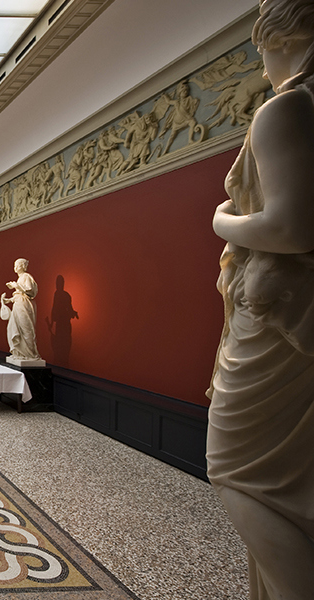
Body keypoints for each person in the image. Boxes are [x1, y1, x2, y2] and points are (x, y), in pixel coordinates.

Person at [207, 1, 314, 597]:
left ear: (281, 37)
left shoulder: (289, 107)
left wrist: (221, 220)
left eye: (261, 47)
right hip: (288, 310)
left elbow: (290, 228)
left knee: (235, 468)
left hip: (278, 309)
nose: (261, 62)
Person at [0, 258, 41, 360]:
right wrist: (9, 300)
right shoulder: (20, 278)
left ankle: (31, 354)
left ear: (23, 266)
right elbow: (19, 294)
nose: (15, 267)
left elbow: (30, 291)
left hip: (24, 305)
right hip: (18, 304)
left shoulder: (26, 276)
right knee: (13, 327)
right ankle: (19, 353)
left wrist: (16, 285)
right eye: (14, 265)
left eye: (17, 265)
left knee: (26, 328)